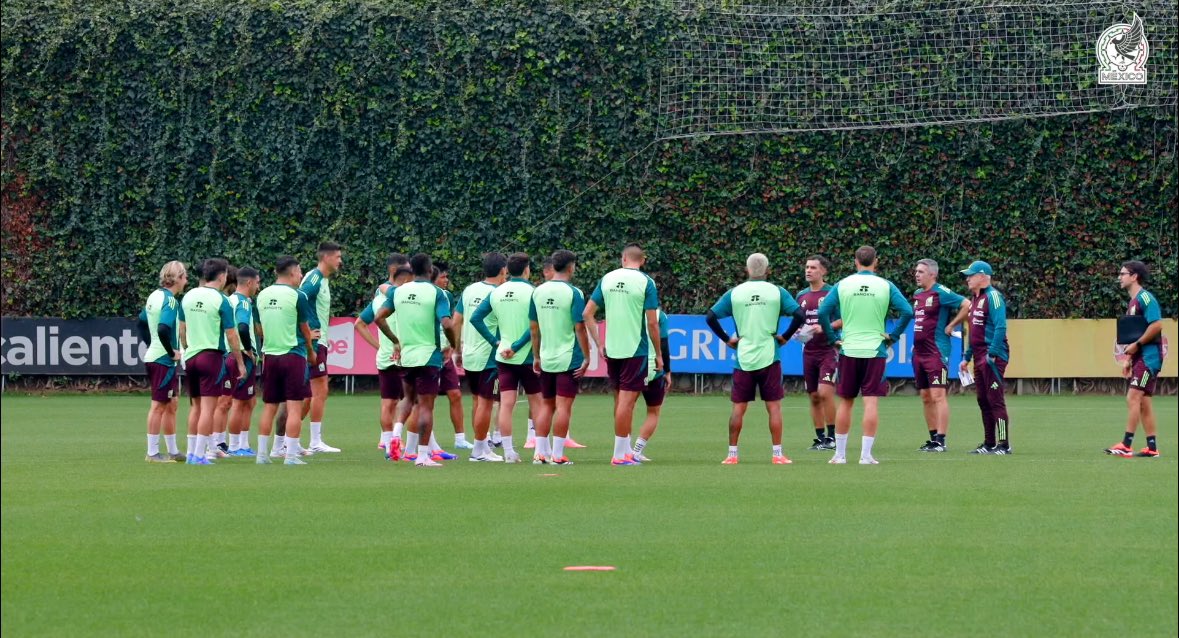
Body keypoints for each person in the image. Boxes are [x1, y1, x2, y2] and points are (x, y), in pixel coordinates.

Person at [818, 246, 914, 465]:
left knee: (846, 402)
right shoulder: (885, 285)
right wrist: (893, 336)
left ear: (856, 261)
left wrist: (832, 339)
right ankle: (865, 455)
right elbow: (908, 311)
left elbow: (823, 312)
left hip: (849, 348)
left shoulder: (843, 284)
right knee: (870, 402)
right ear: (876, 262)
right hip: (875, 350)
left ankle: (840, 455)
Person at [706, 253, 806, 464]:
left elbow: (711, 317)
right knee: (774, 407)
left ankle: (732, 455)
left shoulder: (735, 293)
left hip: (743, 357)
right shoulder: (777, 292)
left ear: (747, 269)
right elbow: (800, 315)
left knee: (738, 408)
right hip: (770, 355)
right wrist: (785, 337)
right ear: (768, 270)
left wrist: (727, 339)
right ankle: (777, 454)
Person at [367, 253, 457, 467]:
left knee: (408, 399)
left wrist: (395, 340)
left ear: (412, 270)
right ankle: (423, 456)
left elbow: (378, 317)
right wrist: (453, 344)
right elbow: (446, 323)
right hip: (429, 355)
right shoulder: (437, 293)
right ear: (430, 270)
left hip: (406, 356)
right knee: (426, 406)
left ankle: (395, 435)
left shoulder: (399, 291)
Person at [583, 243, 662, 466]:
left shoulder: (607, 278)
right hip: (635, 350)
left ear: (623, 258)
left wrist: (599, 343)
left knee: (620, 402)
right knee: (627, 403)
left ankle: (625, 450)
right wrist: (658, 354)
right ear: (642, 260)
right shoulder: (646, 282)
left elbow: (587, 313)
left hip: (613, 349)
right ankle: (619, 455)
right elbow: (652, 323)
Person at [471, 252, 540, 464]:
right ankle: (541, 452)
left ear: (508, 270)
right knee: (537, 403)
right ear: (527, 269)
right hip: (526, 356)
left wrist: (496, 342)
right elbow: (535, 326)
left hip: (503, 356)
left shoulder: (497, 292)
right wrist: (517, 347)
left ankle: (509, 452)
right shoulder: (533, 292)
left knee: (506, 404)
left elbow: (475, 318)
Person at [179, 258, 246, 465]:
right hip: (211, 357)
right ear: (222, 276)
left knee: (195, 407)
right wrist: (240, 362)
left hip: (191, 356)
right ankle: (200, 455)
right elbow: (232, 335)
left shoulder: (188, 296)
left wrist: (187, 347)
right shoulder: (222, 300)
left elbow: (182, 329)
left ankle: (191, 453)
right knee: (208, 409)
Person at [529, 250, 590, 465]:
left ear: (553, 266)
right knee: (564, 407)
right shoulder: (574, 293)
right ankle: (557, 455)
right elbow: (579, 327)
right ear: (571, 267)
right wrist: (587, 357)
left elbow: (534, 328)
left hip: (546, 357)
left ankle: (539, 454)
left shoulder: (537, 292)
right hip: (567, 358)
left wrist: (536, 356)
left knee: (547, 405)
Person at [255, 256, 318, 465]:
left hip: (270, 356)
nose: (301, 275)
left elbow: (259, 328)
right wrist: (311, 351)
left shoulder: (262, 295)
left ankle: (262, 455)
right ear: (292, 272)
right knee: (294, 407)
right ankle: (290, 456)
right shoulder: (298, 296)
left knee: (269, 406)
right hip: (293, 354)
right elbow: (305, 329)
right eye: (300, 271)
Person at [1105, 260, 1164, 458]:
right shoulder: (1133, 302)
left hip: (1149, 359)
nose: (1119, 277)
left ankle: (1126, 445)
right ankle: (1152, 448)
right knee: (1144, 401)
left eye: (1123, 274)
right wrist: (1129, 359)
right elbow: (1137, 334)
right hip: (1141, 358)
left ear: (1134, 276)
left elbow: (1156, 325)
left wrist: (1137, 346)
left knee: (1133, 397)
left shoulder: (1145, 298)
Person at [453, 252, 508, 462]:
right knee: (486, 403)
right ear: (503, 270)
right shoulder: (499, 293)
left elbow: (457, 320)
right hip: (489, 357)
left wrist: (457, 349)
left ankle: (482, 446)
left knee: (478, 401)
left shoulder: (469, 289)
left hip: (469, 354)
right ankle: (478, 451)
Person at [911, 259, 970, 452]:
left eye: (921, 272)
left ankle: (941, 441)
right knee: (925, 396)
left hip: (936, 351)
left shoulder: (941, 292)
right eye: (916, 271)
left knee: (938, 395)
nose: (917, 274)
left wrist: (952, 325)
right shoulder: (918, 294)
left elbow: (967, 304)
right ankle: (933, 439)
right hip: (918, 352)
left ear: (932, 274)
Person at [355, 256, 410, 458]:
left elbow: (359, 324)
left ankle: (388, 445)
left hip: (386, 358)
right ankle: (412, 446)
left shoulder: (379, 298)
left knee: (388, 402)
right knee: (413, 402)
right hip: (406, 357)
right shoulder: (403, 296)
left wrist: (380, 347)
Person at [958, 260, 1012, 455]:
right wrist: (967, 357)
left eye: (970, 275)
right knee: (983, 399)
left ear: (982, 277)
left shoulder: (993, 297)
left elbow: (1000, 327)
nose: (967, 279)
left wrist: (993, 354)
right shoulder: (975, 299)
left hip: (991, 357)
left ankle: (1004, 444)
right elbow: (974, 333)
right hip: (979, 356)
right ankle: (989, 443)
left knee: (995, 400)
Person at [139, 261, 188, 463]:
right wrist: (171, 352)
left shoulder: (154, 296)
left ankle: (173, 450)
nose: (186, 281)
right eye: (184, 277)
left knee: (171, 403)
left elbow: (141, 321)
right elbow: (163, 328)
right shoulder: (170, 301)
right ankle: (152, 453)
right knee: (159, 405)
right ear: (178, 278)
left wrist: (152, 344)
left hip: (157, 356)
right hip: (162, 360)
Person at [299, 241, 343, 453]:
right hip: (314, 342)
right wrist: (307, 332)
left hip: (320, 341)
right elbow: (300, 298)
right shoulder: (315, 277)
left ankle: (293, 440)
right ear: (326, 257)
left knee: (315, 392)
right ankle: (308, 441)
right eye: (338, 257)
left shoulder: (323, 280)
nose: (340, 261)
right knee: (316, 391)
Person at [795, 255, 840, 451]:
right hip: (809, 351)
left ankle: (833, 437)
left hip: (828, 350)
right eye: (807, 267)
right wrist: (798, 331)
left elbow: (843, 319)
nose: (808, 270)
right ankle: (820, 437)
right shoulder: (801, 296)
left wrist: (825, 327)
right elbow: (798, 321)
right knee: (813, 396)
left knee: (825, 393)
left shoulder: (832, 293)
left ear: (824, 271)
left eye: (813, 267)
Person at [433, 262, 470, 450]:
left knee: (455, 394)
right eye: (443, 277)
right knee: (427, 399)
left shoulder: (446, 296)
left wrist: (451, 346)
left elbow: (448, 324)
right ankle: (428, 442)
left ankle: (460, 439)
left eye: (447, 277)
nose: (446, 280)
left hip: (445, 355)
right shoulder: (426, 296)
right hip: (430, 355)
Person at [226, 267, 262, 456]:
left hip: (230, 354)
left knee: (249, 401)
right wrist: (248, 349)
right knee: (239, 402)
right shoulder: (243, 303)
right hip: (241, 355)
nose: (258, 286)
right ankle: (234, 446)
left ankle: (243, 444)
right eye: (257, 282)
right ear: (249, 282)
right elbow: (242, 327)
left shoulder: (229, 300)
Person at [631, 306, 671, 462]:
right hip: (654, 368)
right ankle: (636, 451)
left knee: (626, 407)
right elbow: (664, 344)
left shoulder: (631, 312)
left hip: (633, 366)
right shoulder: (660, 315)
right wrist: (667, 371)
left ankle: (623, 449)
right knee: (653, 412)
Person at [210, 265, 238, 458]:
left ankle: (219, 441)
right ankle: (215, 442)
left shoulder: (228, 300)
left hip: (226, 355)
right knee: (221, 402)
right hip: (224, 355)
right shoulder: (224, 300)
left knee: (226, 401)